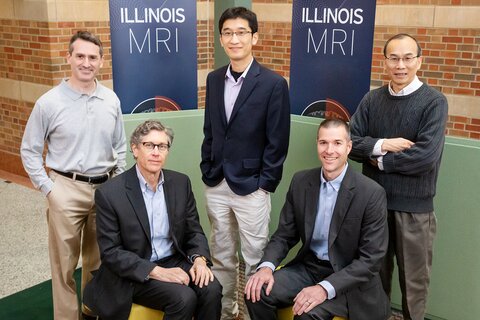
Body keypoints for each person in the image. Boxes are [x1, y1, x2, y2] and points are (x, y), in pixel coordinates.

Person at [20, 31, 126, 320]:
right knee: (64, 265)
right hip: (65, 188)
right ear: (68, 57)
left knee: (98, 262)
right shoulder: (49, 102)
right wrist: (48, 188)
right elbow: (29, 150)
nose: (86, 63)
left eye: (93, 57)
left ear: (101, 61)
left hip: (105, 190)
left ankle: (92, 312)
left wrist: (117, 183)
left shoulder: (111, 100)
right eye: (80, 56)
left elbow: (121, 147)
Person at [245, 119, 390, 320]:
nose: (329, 150)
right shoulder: (301, 182)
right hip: (309, 267)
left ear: (349, 147)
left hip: (350, 280)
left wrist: (323, 289)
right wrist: (266, 266)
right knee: (256, 291)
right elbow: (284, 236)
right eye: (323, 142)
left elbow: (370, 260)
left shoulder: (371, 193)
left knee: (307, 315)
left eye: (337, 143)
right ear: (317, 145)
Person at [349, 33, 448, 320]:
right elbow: (350, 142)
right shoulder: (371, 100)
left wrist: (378, 160)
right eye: (393, 58)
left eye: (407, 58)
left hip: (414, 211)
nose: (400, 65)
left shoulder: (434, 103)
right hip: (374, 205)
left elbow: (425, 157)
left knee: (414, 286)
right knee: (374, 279)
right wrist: (384, 144)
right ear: (385, 61)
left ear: (419, 61)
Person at [200, 7, 291, 319]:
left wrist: (265, 184)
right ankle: (227, 312)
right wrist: (207, 166)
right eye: (227, 33)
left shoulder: (273, 83)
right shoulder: (213, 80)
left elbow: (278, 141)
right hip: (216, 182)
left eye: (241, 32)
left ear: (254, 37)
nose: (234, 38)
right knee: (222, 257)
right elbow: (211, 130)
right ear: (222, 39)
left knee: (254, 258)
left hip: (252, 186)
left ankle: (255, 315)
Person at [83, 120, 222, 320]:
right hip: (135, 270)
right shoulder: (110, 193)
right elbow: (111, 253)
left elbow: (193, 231)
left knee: (211, 289)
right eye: (149, 145)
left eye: (162, 146)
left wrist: (199, 260)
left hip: (173, 259)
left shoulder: (180, 183)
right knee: (184, 298)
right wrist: (156, 271)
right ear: (135, 149)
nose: (156, 152)